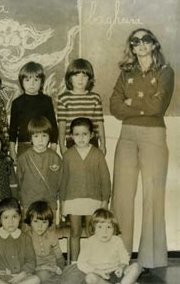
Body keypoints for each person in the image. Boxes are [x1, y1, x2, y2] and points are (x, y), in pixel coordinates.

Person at [110, 28, 174, 269]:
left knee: (153, 195)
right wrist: (139, 106)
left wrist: (131, 102)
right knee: (122, 197)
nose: (141, 45)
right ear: (132, 48)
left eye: (146, 40)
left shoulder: (166, 72)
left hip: (154, 135)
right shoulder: (126, 72)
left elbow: (158, 107)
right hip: (127, 135)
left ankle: (152, 260)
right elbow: (115, 106)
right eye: (135, 42)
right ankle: (119, 258)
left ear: (153, 44)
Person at [60, 117, 111, 263]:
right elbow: (63, 180)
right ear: (71, 136)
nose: (81, 138)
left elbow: (105, 179)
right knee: (75, 232)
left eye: (84, 134)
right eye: (77, 134)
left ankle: (92, 262)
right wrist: (62, 202)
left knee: (91, 232)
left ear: (91, 135)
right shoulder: (68, 155)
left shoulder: (97, 154)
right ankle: (75, 264)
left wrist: (105, 200)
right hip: (73, 199)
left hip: (93, 200)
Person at [78, 209, 143, 284]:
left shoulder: (117, 241)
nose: (104, 231)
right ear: (93, 228)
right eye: (100, 227)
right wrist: (97, 271)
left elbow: (125, 257)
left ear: (114, 229)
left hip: (116, 274)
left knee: (137, 266)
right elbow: (81, 263)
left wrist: (121, 266)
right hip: (100, 276)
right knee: (89, 278)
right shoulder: (89, 243)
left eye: (108, 227)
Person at [24, 201, 85, 284]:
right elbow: (27, 263)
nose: (40, 226)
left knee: (79, 268)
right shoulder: (26, 238)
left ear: (49, 223)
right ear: (29, 221)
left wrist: (59, 268)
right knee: (41, 276)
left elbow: (60, 258)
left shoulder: (51, 235)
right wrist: (44, 268)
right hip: (38, 271)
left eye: (44, 222)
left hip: (55, 271)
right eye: (36, 222)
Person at [0, 197, 43, 284]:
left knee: (36, 280)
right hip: (1, 277)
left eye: (14, 217)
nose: (11, 221)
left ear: (20, 217)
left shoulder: (25, 238)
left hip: (20, 277)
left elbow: (31, 260)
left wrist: (23, 273)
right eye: (6, 218)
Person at [9, 62, 58, 160]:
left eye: (36, 80)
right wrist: (12, 149)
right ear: (21, 81)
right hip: (24, 145)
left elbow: (53, 124)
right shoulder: (17, 102)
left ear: (41, 82)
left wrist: (53, 144)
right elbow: (13, 129)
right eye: (27, 80)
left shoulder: (46, 101)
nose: (32, 83)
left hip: (42, 144)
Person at [58, 58, 106, 155]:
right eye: (76, 75)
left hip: (92, 142)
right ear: (70, 78)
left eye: (84, 76)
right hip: (71, 142)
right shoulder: (63, 98)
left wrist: (103, 144)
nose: (80, 79)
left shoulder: (95, 98)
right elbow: (62, 125)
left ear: (89, 79)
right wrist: (62, 146)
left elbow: (100, 124)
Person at [17, 117, 62, 213]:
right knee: (29, 227)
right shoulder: (23, 158)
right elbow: (19, 182)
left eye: (44, 136)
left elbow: (61, 180)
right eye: (36, 136)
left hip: (49, 202)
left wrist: (58, 199)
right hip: (29, 202)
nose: (40, 140)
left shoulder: (55, 158)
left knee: (49, 227)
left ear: (49, 137)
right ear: (30, 138)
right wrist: (21, 200)